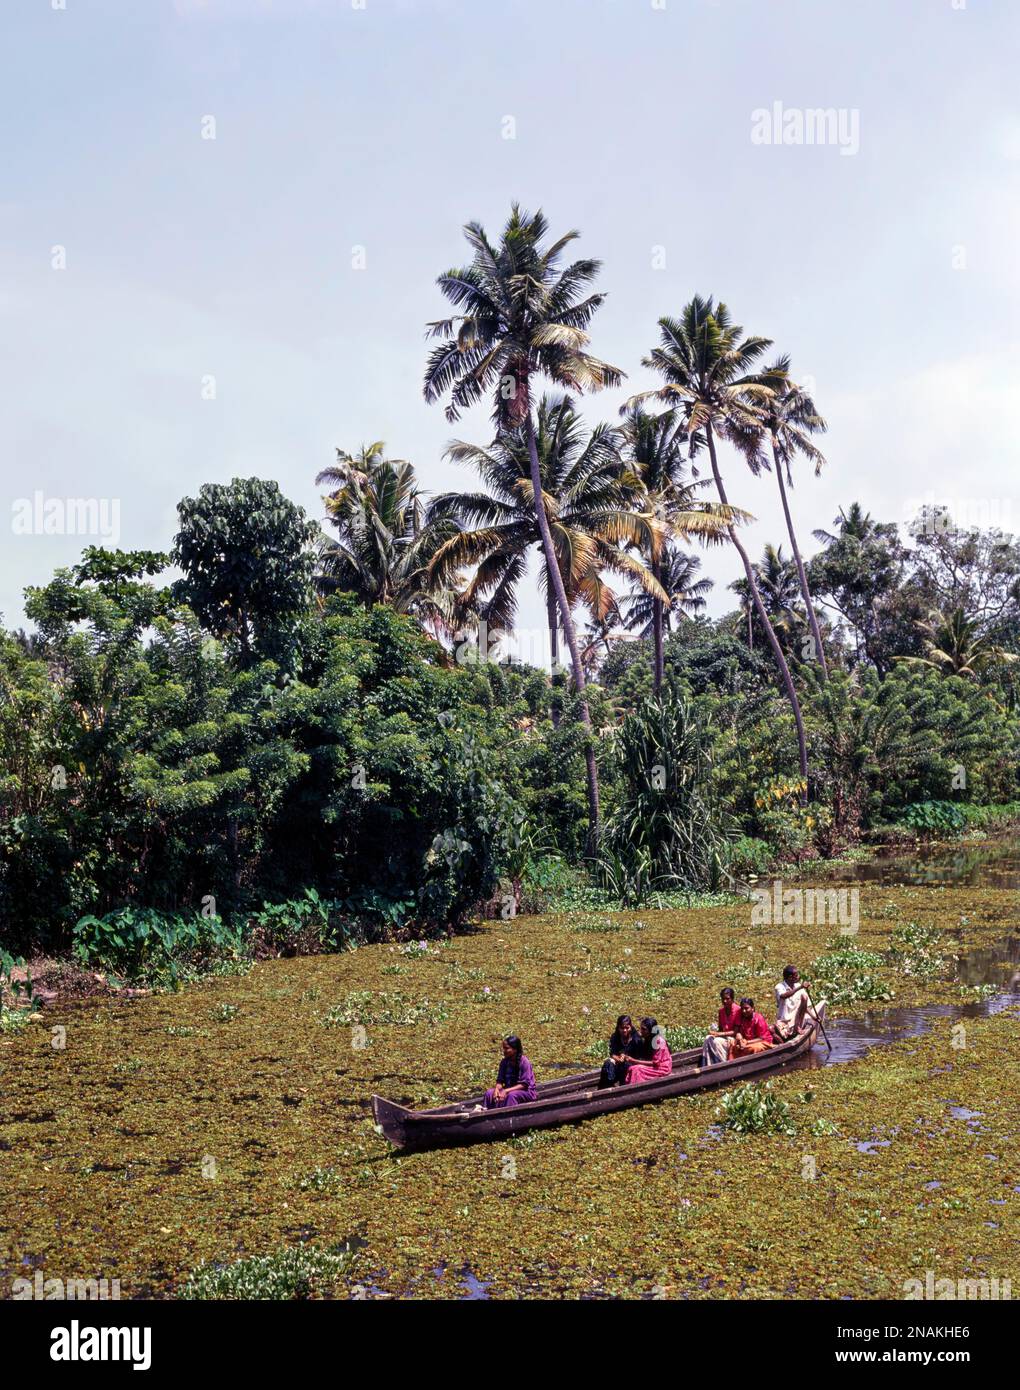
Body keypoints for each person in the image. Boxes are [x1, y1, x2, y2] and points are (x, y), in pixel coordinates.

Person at [483, 1035, 537, 1109]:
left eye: (507, 1048)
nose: (504, 1051)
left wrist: (505, 1091)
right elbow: (500, 1081)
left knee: (511, 1095)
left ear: (515, 1049)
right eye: (503, 1048)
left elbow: (524, 1085)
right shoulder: (504, 1062)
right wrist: (496, 1090)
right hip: (509, 1089)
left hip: (526, 1092)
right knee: (489, 1093)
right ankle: (487, 1114)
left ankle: (509, 1118)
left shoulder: (524, 1062)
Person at [624, 1016, 673, 1085]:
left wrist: (633, 1061)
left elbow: (655, 1063)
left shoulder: (658, 1041)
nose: (641, 1031)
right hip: (656, 1067)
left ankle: (636, 1089)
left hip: (663, 1068)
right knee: (632, 1068)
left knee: (637, 1069)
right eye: (641, 1028)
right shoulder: (649, 1039)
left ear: (651, 1030)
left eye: (644, 1029)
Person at [598, 1014, 642, 1088]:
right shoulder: (615, 1037)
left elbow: (639, 1058)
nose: (624, 1030)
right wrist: (618, 1058)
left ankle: (623, 1086)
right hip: (619, 1063)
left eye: (627, 1028)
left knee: (626, 1065)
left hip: (632, 1065)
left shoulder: (636, 1039)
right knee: (608, 1063)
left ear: (630, 1027)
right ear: (618, 1028)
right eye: (622, 1028)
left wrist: (627, 1058)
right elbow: (612, 1053)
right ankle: (609, 1085)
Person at [701, 986, 741, 1066]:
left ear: (732, 999)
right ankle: (707, 1064)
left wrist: (718, 1034)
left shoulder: (738, 1010)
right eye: (723, 999)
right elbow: (721, 1029)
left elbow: (735, 1032)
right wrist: (715, 1033)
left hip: (733, 1038)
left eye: (727, 999)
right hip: (724, 1037)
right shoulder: (721, 1011)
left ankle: (722, 1063)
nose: (725, 1001)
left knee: (716, 1042)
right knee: (707, 1039)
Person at [773, 965, 812, 1041]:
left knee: (804, 997)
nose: (798, 977)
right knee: (775, 1031)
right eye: (796, 975)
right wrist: (800, 987)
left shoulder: (797, 986)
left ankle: (797, 1027)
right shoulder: (779, 987)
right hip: (785, 1020)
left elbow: (805, 1007)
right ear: (790, 977)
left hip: (798, 1021)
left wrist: (814, 1017)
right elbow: (784, 996)